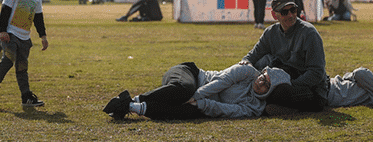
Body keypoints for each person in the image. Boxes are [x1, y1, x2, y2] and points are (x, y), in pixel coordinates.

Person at [102, 62, 290, 120]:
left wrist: (200, 103)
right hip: (189, 74)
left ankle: (133, 107)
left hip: (195, 98)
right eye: (263, 75)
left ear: (269, 91)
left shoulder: (254, 108)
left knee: (190, 112)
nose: (260, 80)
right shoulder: (248, 71)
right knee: (185, 90)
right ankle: (130, 100)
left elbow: (226, 111)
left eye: (266, 83)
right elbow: (220, 82)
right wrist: (195, 96)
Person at [239, 0, 329, 112]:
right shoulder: (270, 33)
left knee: (276, 92)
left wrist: (289, 83)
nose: (291, 15)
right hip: (284, 81)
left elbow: (317, 72)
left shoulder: (309, 33)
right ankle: (277, 105)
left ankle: (288, 109)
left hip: (311, 88)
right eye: (284, 12)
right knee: (258, 81)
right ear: (274, 15)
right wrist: (244, 64)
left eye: (293, 10)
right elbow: (253, 56)